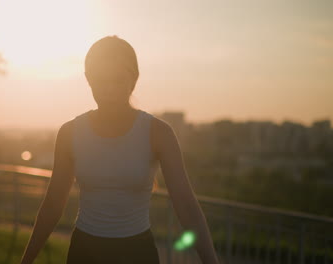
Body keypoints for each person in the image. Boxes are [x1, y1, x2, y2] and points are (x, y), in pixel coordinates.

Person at [20, 36, 220, 264]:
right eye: (100, 80)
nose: (109, 89)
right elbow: (53, 205)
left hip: (137, 254)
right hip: (84, 253)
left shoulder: (158, 133)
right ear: (88, 80)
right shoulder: (69, 133)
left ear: (133, 80)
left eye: (117, 79)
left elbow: (185, 205)